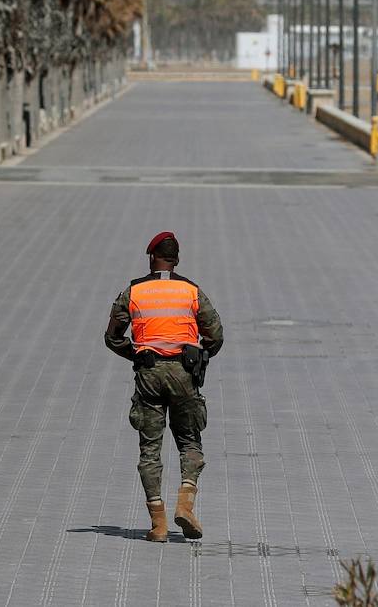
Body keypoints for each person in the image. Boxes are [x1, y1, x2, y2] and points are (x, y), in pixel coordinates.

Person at [105, 231, 223, 542]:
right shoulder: (191, 291)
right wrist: (200, 354)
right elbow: (215, 334)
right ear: (177, 260)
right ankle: (185, 500)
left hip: (149, 374)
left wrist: (138, 353)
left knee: (150, 448)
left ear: (151, 257)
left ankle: (157, 524)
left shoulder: (134, 291)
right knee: (189, 440)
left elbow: (113, 336)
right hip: (184, 373)